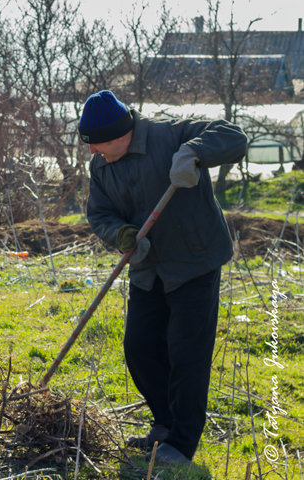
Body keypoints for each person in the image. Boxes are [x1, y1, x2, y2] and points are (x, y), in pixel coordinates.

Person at [78, 90, 247, 465]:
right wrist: (121, 235)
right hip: (147, 269)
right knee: (140, 348)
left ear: (121, 133)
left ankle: (181, 445)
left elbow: (234, 136)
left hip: (194, 262)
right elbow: (100, 214)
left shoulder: (172, 136)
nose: (92, 152)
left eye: (97, 143)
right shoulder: (102, 165)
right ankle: (165, 423)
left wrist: (196, 153)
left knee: (187, 353)